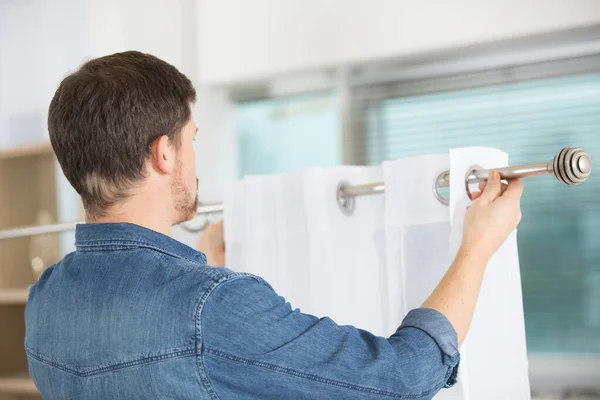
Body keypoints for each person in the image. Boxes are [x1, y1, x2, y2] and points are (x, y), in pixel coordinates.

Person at [25, 51, 523, 400]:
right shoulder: (212, 307)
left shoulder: (46, 299)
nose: (195, 159)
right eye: (191, 139)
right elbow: (402, 378)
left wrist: (205, 268)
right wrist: (476, 247)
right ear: (163, 153)